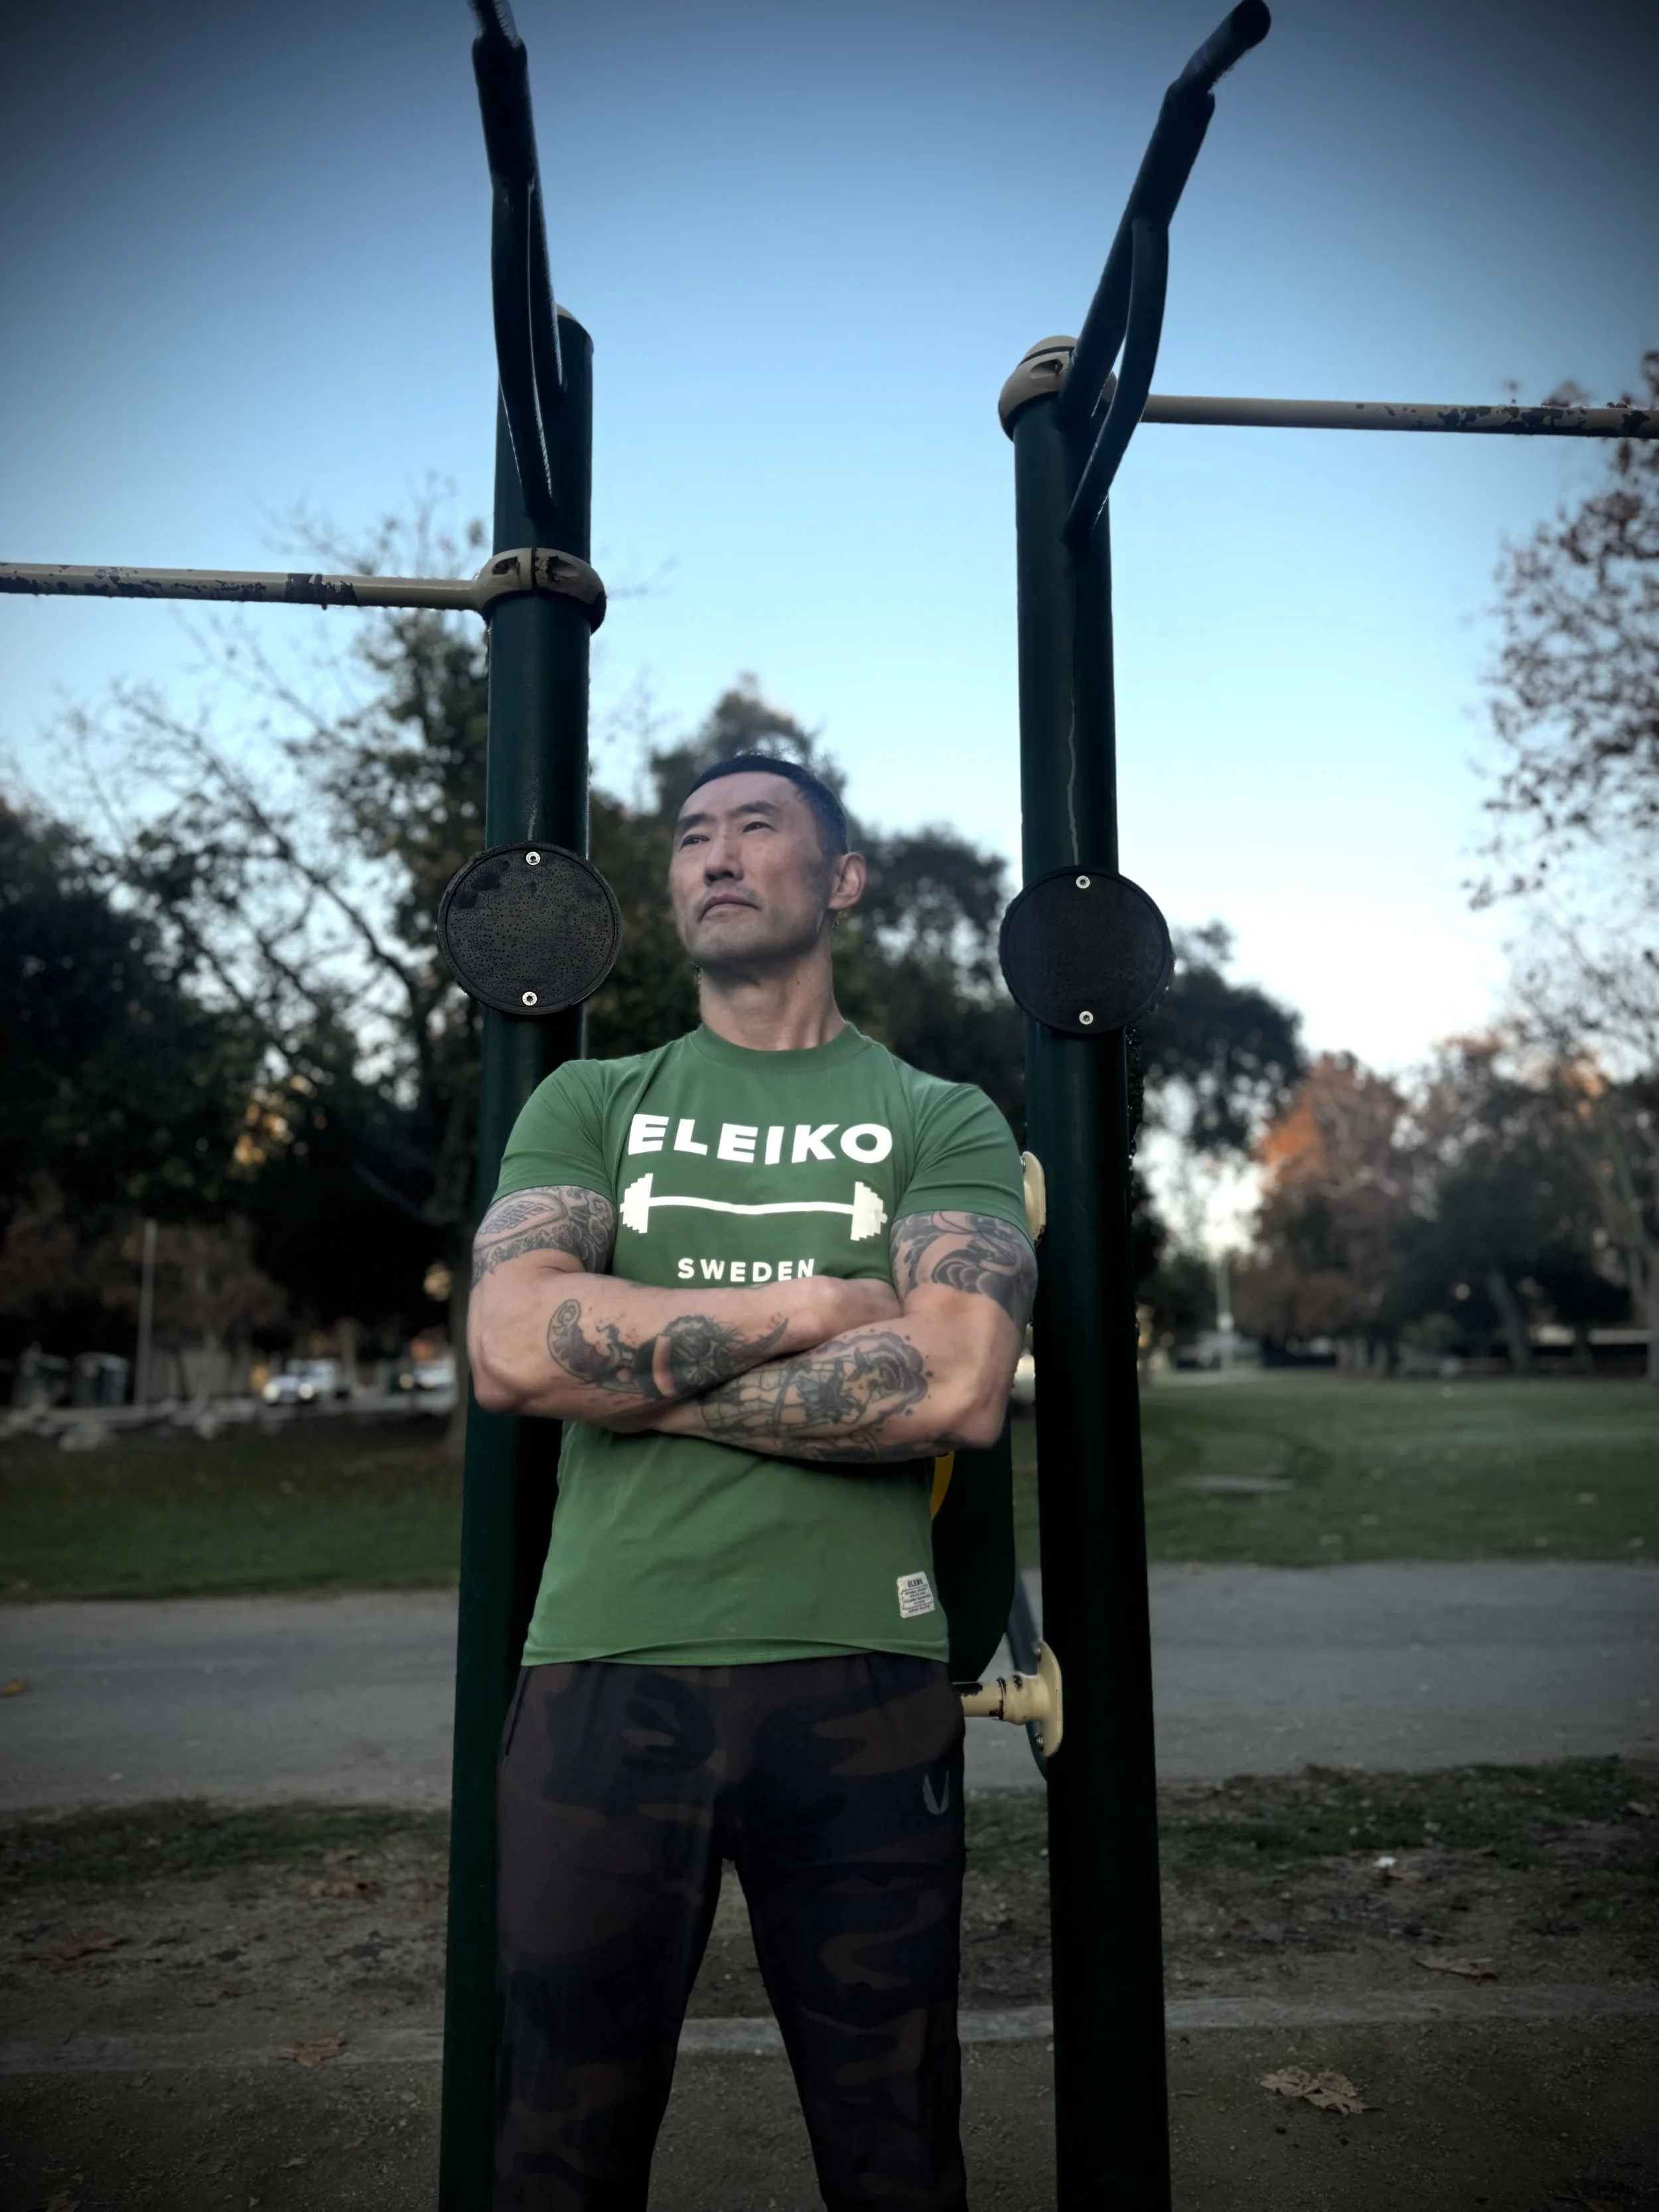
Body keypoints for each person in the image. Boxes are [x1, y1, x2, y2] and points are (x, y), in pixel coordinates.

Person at [469, 753, 1036, 2211]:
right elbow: (513, 1349)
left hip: (859, 1679)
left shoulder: (938, 1114)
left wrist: (639, 1381)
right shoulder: (594, 1103)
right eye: (690, 836)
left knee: (894, 2143)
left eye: (755, 828)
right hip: (603, 1670)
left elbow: (957, 1383)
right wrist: (805, 1307)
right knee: (554, 2143)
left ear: (840, 881)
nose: (713, 854)